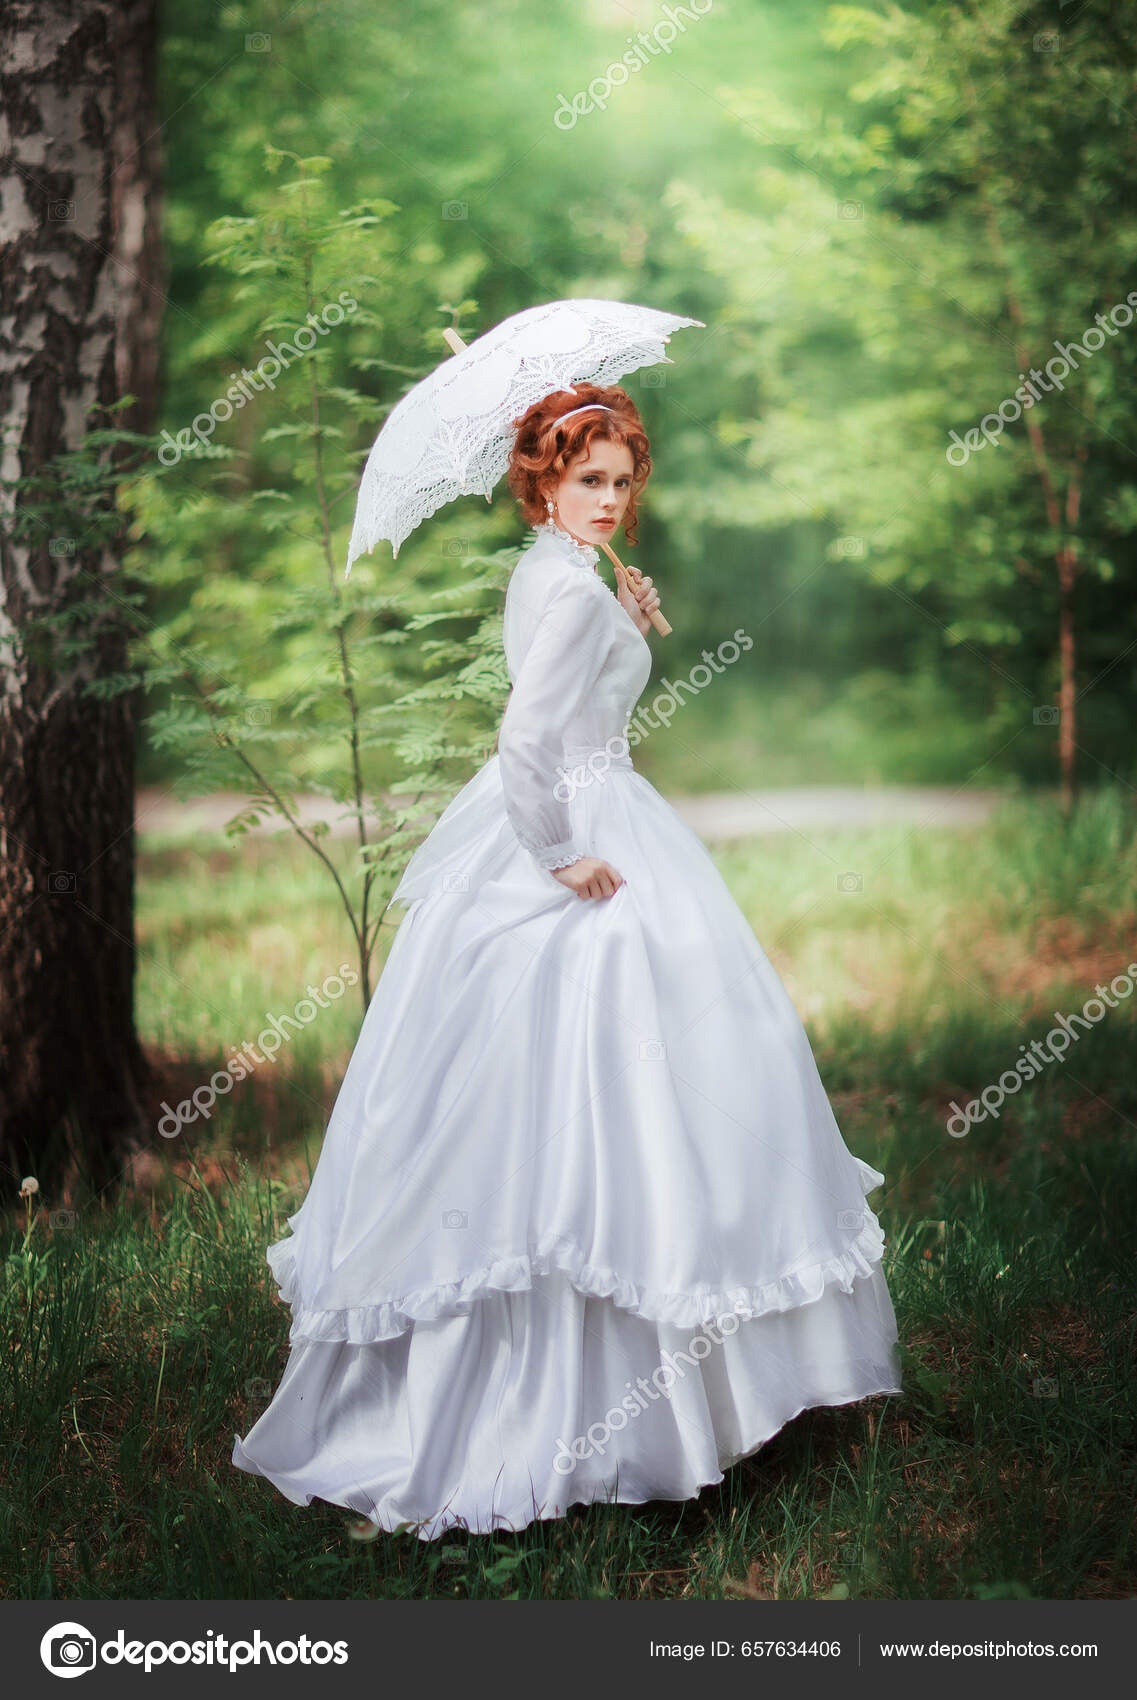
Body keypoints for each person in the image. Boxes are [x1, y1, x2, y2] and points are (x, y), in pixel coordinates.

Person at [231, 382, 903, 1540]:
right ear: (540, 478)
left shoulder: (555, 572)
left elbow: (562, 669)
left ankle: (630, 1393)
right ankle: (600, 1407)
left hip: (575, 807)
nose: (608, 496)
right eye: (585, 478)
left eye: (621, 479)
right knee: (624, 1098)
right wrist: (559, 856)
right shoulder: (573, 593)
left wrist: (619, 608)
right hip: (576, 829)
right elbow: (527, 742)